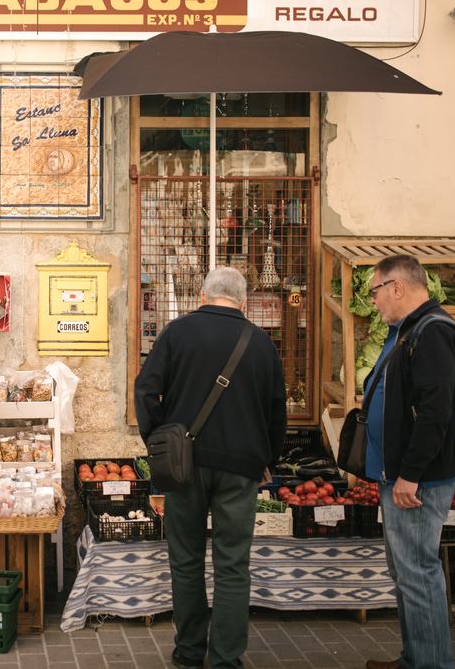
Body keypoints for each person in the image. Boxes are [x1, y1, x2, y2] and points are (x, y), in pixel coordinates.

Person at [134, 267, 286, 669]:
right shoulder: (261, 343)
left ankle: (189, 652)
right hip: (241, 467)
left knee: (185, 560)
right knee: (233, 564)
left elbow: (145, 390)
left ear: (202, 294)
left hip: (185, 465)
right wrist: (266, 458)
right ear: (243, 301)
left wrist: (160, 441)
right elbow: (277, 412)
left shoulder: (177, 333)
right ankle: (225, 658)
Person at [362, 255, 455, 669]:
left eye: (375, 291)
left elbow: (435, 413)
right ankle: (415, 657)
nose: (374, 301)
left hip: (417, 481)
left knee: (419, 574)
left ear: (397, 287)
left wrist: (410, 474)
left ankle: (431, 664)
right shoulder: (411, 329)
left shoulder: (434, 333)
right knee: (406, 575)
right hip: (401, 478)